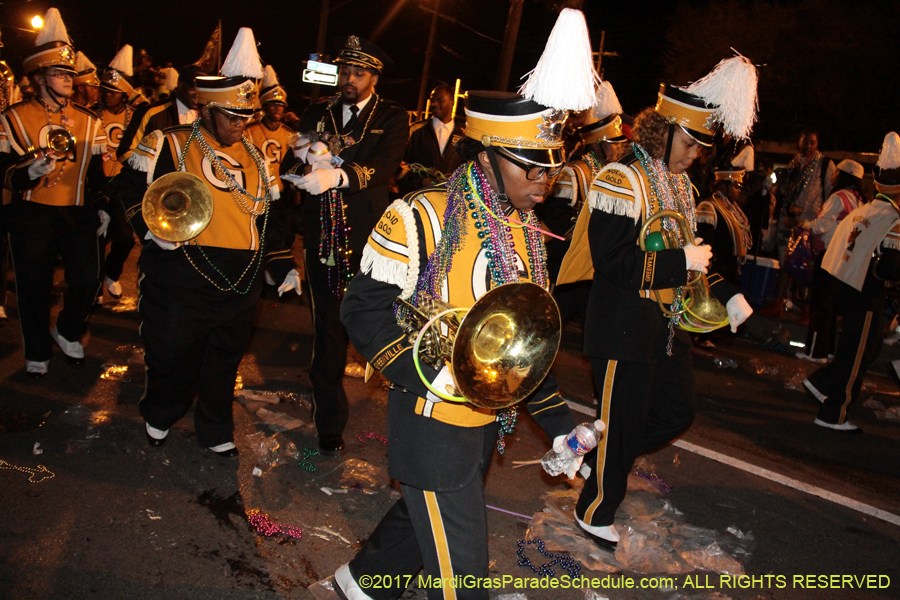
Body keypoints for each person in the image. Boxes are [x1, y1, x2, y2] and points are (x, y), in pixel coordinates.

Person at [333, 9, 602, 597]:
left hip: (481, 431)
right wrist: (426, 372)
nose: (545, 180)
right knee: (462, 579)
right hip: (430, 427)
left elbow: (524, 352)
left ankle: (360, 583)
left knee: (422, 516)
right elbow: (362, 310)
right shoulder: (420, 216)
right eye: (530, 165)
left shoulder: (528, 234)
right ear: (485, 157)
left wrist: (560, 428)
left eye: (552, 167)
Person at [561, 55, 757, 550]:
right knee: (622, 420)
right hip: (623, 324)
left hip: (667, 327)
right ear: (663, 132)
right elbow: (614, 262)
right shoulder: (619, 179)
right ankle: (594, 508)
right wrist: (678, 261)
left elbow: (695, 256)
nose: (694, 154)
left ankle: (600, 460)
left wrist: (729, 293)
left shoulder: (683, 188)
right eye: (689, 142)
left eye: (699, 147)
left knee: (675, 411)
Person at [112, 28, 298, 456]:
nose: (241, 125)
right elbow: (125, 190)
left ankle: (215, 429)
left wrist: (282, 262)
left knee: (224, 359)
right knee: (173, 354)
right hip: (182, 270)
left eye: (245, 117)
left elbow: (271, 216)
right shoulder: (169, 144)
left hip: (242, 278)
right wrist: (152, 231)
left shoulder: (257, 157)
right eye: (233, 117)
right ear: (209, 110)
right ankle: (160, 410)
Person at [282, 35, 409, 452]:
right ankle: (329, 422)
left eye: (358, 73)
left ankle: (409, 415)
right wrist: (305, 157)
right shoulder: (317, 111)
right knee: (329, 331)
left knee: (377, 325)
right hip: (322, 237)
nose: (348, 79)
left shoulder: (391, 117)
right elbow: (291, 157)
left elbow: (384, 166)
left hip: (370, 239)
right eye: (344, 71)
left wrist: (338, 174)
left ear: (374, 76)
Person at [0, 8, 107, 378]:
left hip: (76, 209)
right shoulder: (13, 117)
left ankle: (67, 329)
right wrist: (28, 171)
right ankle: (36, 349)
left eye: (69, 74)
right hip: (31, 212)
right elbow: (3, 172)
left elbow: (99, 174)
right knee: (33, 286)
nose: (69, 80)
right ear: (40, 77)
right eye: (60, 74)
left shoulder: (90, 120)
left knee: (87, 278)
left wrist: (105, 205)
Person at [803, 134, 900, 432]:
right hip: (867, 291)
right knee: (857, 354)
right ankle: (834, 413)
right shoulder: (892, 218)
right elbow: (891, 267)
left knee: (860, 349)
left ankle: (821, 382)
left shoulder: (865, 209)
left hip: (845, 286)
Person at [545, 79, 629, 326]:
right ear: (600, 143)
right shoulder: (575, 174)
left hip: (597, 270)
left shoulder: (618, 176)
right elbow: (553, 225)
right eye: (614, 144)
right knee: (550, 326)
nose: (619, 149)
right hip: (566, 269)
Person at [793, 159, 864, 363]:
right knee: (832, 306)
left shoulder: (838, 198)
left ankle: (816, 352)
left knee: (820, 304)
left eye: (836, 173)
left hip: (829, 254)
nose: (832, 177)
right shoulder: (860, 201)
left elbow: (821, 225)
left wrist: (803, 224)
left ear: (843, 175)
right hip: (846, 257)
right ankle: (829, 350)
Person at [764, 129, 836, 316]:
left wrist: (817, 221)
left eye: (812, 142)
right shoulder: (794, 164)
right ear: (799, 143)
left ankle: (807, 309)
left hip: (810, 223)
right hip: (788, 221)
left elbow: (829, 195)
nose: (808, 146)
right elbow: (785, 192)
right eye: (805, 142)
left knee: (808, 265)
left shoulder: (824, 164)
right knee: (786, 262)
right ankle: (778, 303)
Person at [95, 44, 139, 299]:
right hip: (96, 184)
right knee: (95, 238)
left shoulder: (134, 117)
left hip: (122, 186)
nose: (108, 94)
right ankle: (93, 288)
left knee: (125, 238)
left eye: (114, 91)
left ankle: (111, 273)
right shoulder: (91, 113)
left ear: (124, 94)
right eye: (106, 90)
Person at [246, 65, 296, 252]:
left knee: (284, 237)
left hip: (282, 197)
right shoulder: (250, 131)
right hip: (257, 194)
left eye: (281, 105)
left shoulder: (290, 134)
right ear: (264, 106)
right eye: (273, 104)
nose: (278, 108)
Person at [115, 63, 205, 164]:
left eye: (203, 89)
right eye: (193, 88)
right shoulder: (151, 114)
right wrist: (157, 173)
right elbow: (125, 153)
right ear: (180, 85)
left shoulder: (207, 116)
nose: (198, 94)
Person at [400, 84, 463, 195]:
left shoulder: (463, 135)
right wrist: (422, 181)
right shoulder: (415, 130)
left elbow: (471, 169)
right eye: (432, 100)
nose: (434, 104)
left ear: (452, 103)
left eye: (440, 100)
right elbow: (399, 164)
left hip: (450, 201)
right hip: (418, 197)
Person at [696, 167, 752, 284]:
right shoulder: (709, 206)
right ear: (723, 186)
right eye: (735, 186)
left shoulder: (733, 209)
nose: (739, 190)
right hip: (716, 271)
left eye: (739, 187)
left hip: (731, 270)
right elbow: (705, 239)